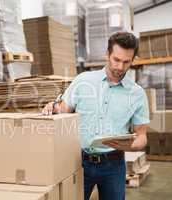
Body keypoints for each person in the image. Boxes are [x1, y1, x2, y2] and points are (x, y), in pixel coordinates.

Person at [42, 32, 150, 200]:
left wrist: (130, 146)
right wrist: (53, 106)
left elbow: (142, 136)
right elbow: (63, 110)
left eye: (126, 62)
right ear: (107, 54)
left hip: (114, 164)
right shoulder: (83, 81)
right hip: (79, 161)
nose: (120, 67)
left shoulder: (137, 94)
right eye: (116, 59)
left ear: (133, 60)